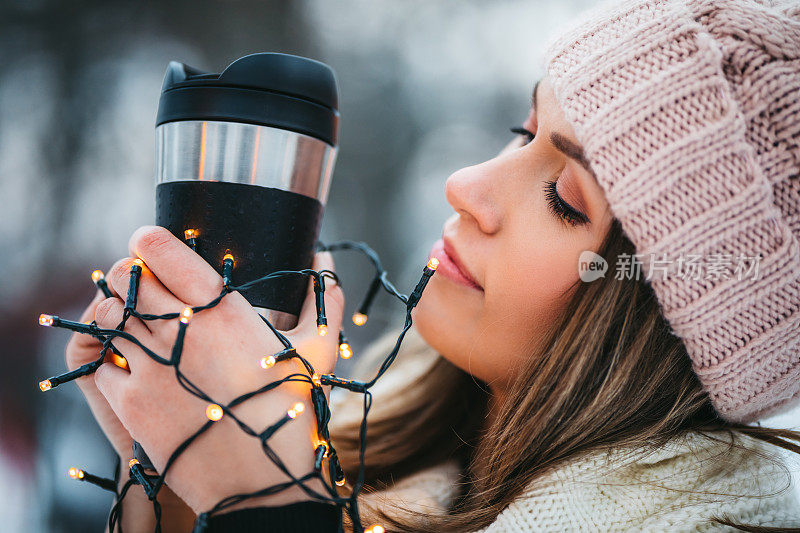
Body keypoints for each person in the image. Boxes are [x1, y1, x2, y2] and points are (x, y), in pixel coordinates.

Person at [65, 0, 800, 530]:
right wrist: (172, 484)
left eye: (564, 199)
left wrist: (269, 501)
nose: (466, 186)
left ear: (653, 322)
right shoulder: (365, 453)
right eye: (524, 132)